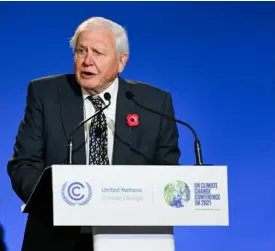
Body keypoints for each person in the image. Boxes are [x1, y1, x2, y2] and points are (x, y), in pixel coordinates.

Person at [7, 17, 180, 251]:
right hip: (57, 237)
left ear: (121, 61)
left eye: (98, 53)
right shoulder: (46, 95)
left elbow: (167, 172)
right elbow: (24, 164)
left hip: (132, 237)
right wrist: (56, 204)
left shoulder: (155, 103)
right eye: (81, 51)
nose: (87, 61)